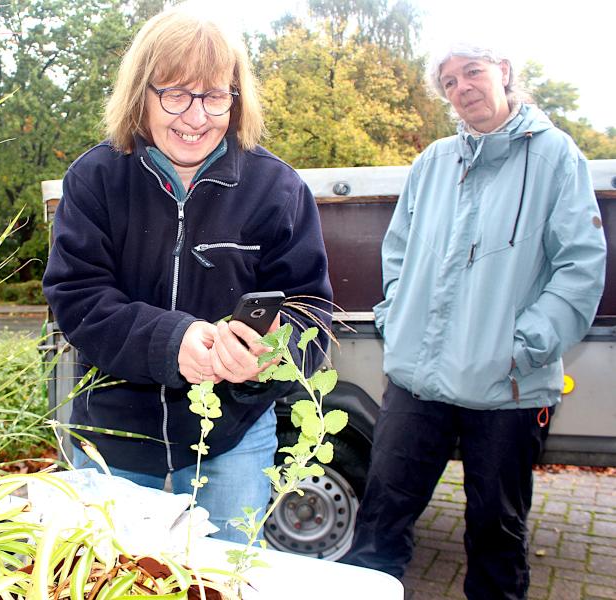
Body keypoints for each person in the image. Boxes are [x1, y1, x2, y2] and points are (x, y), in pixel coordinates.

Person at [41, 7, 332, 543]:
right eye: (175, 94)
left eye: (215, 96)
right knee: (113, 576)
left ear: (235, 98)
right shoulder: (95, 179)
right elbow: (76, 298)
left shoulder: (278, 189)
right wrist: (172, 342)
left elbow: (311, 313)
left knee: (218, 580)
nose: (196, 117)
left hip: (233, 440)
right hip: (113, 439)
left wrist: (265, 354)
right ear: (140, 95)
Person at [341, 42, 607, 598]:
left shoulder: (557, 156)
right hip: (418, 380)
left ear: (503, 72)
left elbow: (580, 268)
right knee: (378, 525)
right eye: (449, 82)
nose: (462, 88)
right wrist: (397, 318)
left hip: (506, 387)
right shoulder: (432, 162)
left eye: (472, 72)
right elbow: (398, 252)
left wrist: (522, 346)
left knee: (496, 536)